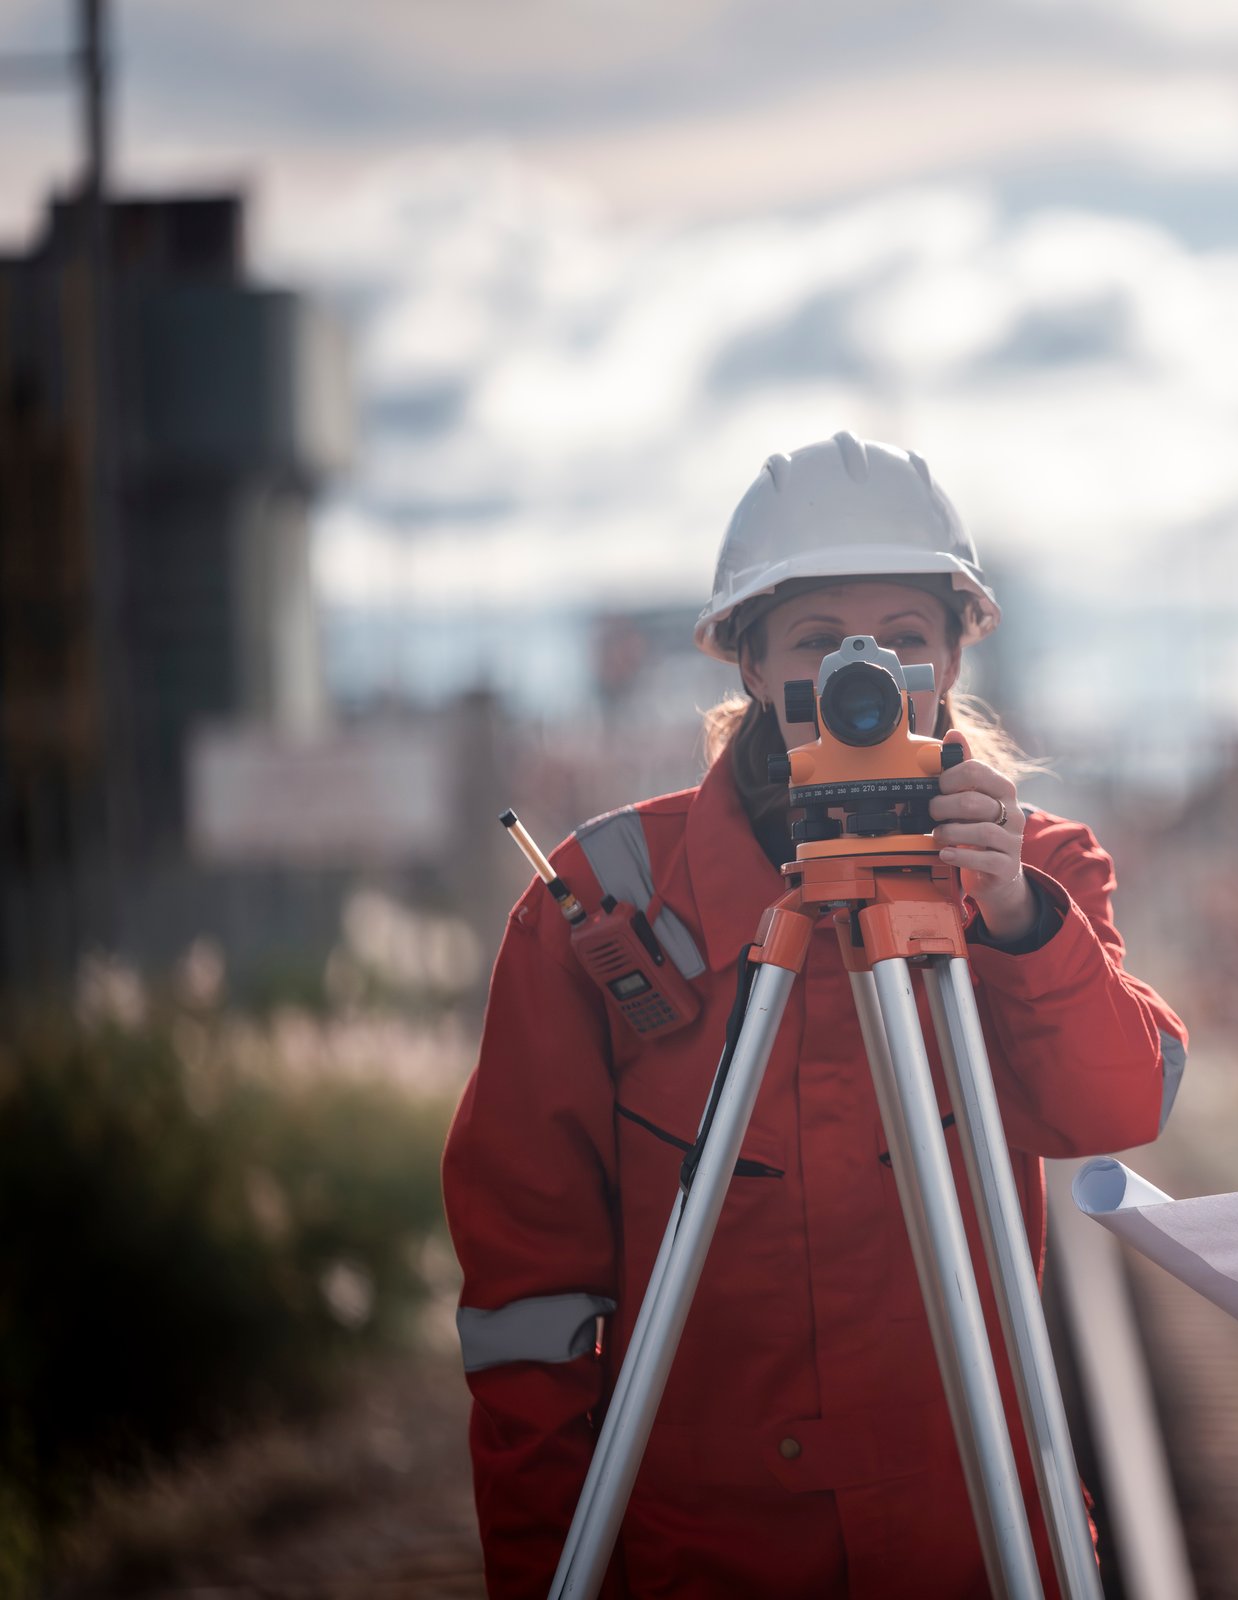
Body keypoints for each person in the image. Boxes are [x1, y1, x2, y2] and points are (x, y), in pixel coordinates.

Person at [444, 431, 1189, 1596]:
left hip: (973, 1536)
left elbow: (1120, 1100)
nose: (863, 675)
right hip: (707, 1553)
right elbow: (526, 1300)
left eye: (902, 642)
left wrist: (1008, 918)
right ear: (747, 662)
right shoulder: (603, 903)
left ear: (952, 658)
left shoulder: (1030, 870)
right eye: (817, 643)